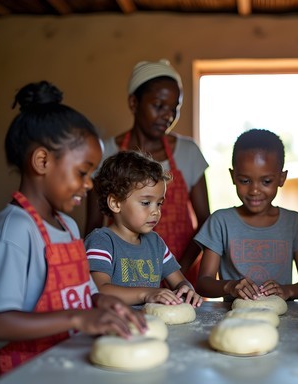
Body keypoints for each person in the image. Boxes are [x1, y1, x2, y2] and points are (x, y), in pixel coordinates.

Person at [0, 81, 145, 380]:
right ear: (42, 161)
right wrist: (77, 318)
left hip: (64, 366)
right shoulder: (16, 230)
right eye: (83, 173)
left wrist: (100, 301)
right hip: (23, 371)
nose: (89, 185)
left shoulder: (69, 226)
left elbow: (79, 293)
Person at [85, 59, 210, 287]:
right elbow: (93, 223)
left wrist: (174, 268)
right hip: (120, 276)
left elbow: (205, 221)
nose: (168, 116)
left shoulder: (188, 152)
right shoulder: (105, 154)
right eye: (159, 106)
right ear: (134, 103)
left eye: (175, 108)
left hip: (181, 267)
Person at [195, 129, 298, 301]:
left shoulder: (294, 223)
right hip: (234, 319)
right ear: (233, 176)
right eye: (245, 181)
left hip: (281, 320)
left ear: (281, 178)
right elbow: (203, 283)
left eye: (266, 181)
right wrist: (230, 286)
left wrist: (287, 291)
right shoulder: (220, 222)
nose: (254, 190)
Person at [85, 150, 203, 307]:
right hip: (116, 327)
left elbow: (180, 281)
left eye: (159, 203)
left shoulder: (155, 243)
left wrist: (186, 290)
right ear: (115, 203)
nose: (156, 211)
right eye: (146, 203)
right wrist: (147, 293)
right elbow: (100, 290)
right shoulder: (101, 241)